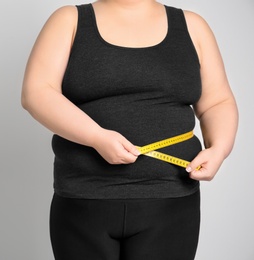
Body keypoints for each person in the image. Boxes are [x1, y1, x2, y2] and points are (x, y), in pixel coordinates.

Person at [21, 0, 238, 259]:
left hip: (172, 200)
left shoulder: (193, 26)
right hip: (84, 198)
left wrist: (220, 148)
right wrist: (96, 137)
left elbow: (217, 101)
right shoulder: (69, 20)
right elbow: (37, 93)